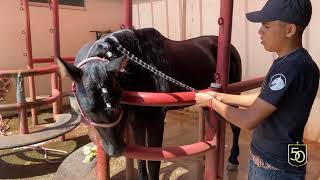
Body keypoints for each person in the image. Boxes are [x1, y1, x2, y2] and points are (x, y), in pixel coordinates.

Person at [195, 0, 319, 179]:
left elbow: (248, 120)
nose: (260, 31)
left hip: (274, 167)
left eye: (266, 26)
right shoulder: (298, 62)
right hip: (282, 161)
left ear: (290, 30)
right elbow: (263, 99)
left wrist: (211, 103)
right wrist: (220, 96)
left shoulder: (290, 68)